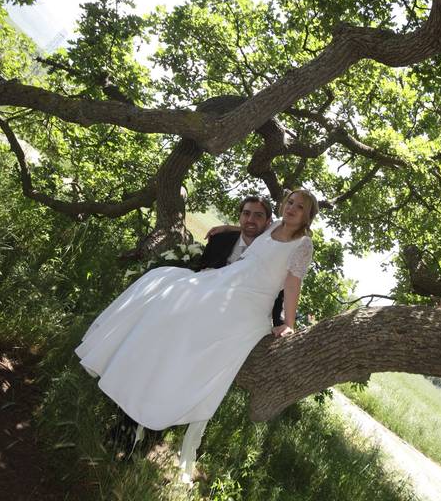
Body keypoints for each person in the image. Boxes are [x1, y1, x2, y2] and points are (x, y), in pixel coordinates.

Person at [75, 189, 318, 479]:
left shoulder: (302, 244)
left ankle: (153, 416)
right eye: (289, 202)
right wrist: (228, 228)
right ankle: (130, 391)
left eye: (299, 207)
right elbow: (255, 231)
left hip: (249, 303)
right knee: (167, 283)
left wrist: (289, 322)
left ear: (307, 215)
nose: (291, 208)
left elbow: (292, 284)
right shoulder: (275, 225)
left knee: (191, 333)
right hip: (225, 283)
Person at [200, 195, 286, 327]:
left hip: (238, 319)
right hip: (201, 301)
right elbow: (199, 270)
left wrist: (280, 324)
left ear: (268, 221)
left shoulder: (272, 256)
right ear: (240, 216)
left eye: (258, 216)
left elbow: (278, 296)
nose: (251, 220)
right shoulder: (219, 239)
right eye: (246, 214)